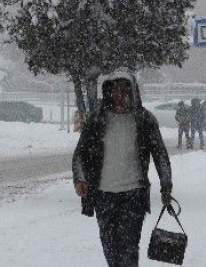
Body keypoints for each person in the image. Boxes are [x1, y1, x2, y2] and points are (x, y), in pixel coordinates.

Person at [72, 70, 173, 267]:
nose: (119, 95)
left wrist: (166, 184)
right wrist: (80, 179)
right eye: (115, 91)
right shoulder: (97, 120)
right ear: (108, 93)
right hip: (103, 197)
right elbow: (79, 154)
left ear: (133, 92)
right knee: (111, 252)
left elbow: (160, 154)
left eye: (124, 90)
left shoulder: (144, 120)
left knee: (128, 252)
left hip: (133, 197)